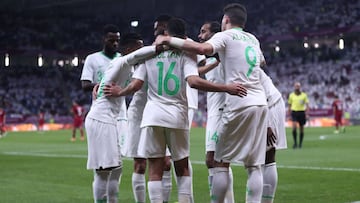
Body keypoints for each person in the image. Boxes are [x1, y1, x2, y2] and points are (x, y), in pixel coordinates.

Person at [116, 18, 247, 203]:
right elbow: (193, 81)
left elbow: (136, 84)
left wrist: (119, 92)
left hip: (152, 116)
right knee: (182, 167)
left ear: (167, 34)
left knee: (154, 170)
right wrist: (226, 87)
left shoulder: (149, 55)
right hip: (177, 115)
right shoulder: (187, 54)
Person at [155, 3, 268, 203]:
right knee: (254, 165)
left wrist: (169, 39)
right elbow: (261, 64)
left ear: (226, 20)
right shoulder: (253, 39)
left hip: (238, 102)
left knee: (219, 162)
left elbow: (201, 48)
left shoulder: (224, 36)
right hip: (259, 102)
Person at [85, 32, 167, 203]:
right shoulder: (121, 61)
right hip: (101, 119)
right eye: (140, 45)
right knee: (104, 170)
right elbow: (137, 55)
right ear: (130, 49)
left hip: (109, 118)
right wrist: (161, 47)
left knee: (116, 169)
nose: (143, 49)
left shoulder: (125, 66)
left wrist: (99, 85)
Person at [197, 21, 235, 203]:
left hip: (222, 112)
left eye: (203, 32)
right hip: (214, 112)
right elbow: (196, 73)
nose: (200, 35)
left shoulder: (228, 55)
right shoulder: (210, 60)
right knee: (220, 162)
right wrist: (214, 62)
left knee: (212, 159)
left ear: (215, 35)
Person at [259, 66, 287, 203]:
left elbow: (260, 93)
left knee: (267, 156)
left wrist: (268, 123)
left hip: (270, 105)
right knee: (256, 160)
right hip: (264, 105)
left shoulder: (242, 65)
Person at [288, 82, 309, 149]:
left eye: (298, 86)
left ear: (300, 87)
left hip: (301, 112)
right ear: (294, 87)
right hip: (294, 112)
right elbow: (289, 105)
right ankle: (295, 143)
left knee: (301, 129)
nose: (297, 87)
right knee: (294, 127)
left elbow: (307, 105)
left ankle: (300, 144)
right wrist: (289, 114)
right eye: (296, 86)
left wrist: (307, 113)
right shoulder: (291, 95)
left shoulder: (304, 95)